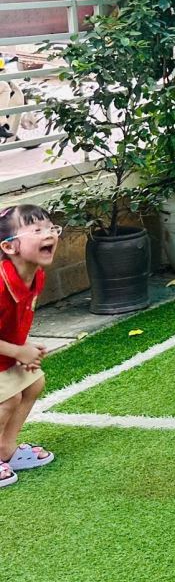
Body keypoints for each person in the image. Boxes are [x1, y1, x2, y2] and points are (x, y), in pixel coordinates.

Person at [1, 204, 59, 490]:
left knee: (34, 382)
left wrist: (23, 345)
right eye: (36, 230)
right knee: (7, 399)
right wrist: (17, 351)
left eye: (50, 228)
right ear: (9, 247)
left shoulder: (35, 275)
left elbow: (14, 319)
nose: (48, 234)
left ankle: (6, 449)